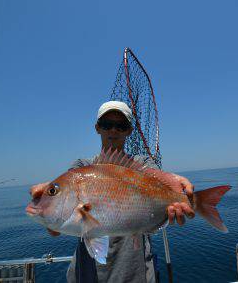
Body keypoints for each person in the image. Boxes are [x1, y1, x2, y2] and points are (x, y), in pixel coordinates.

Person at [66, 101, 195, 283]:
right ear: (97, 128)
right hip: (88, 272)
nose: (113, 130)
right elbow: (57, 222)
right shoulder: (82, 168)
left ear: (129, 131)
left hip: (136, 270)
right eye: (107, 125)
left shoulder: (142, 164)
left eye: (121, 126)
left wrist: (176, 185)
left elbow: (158, 178)